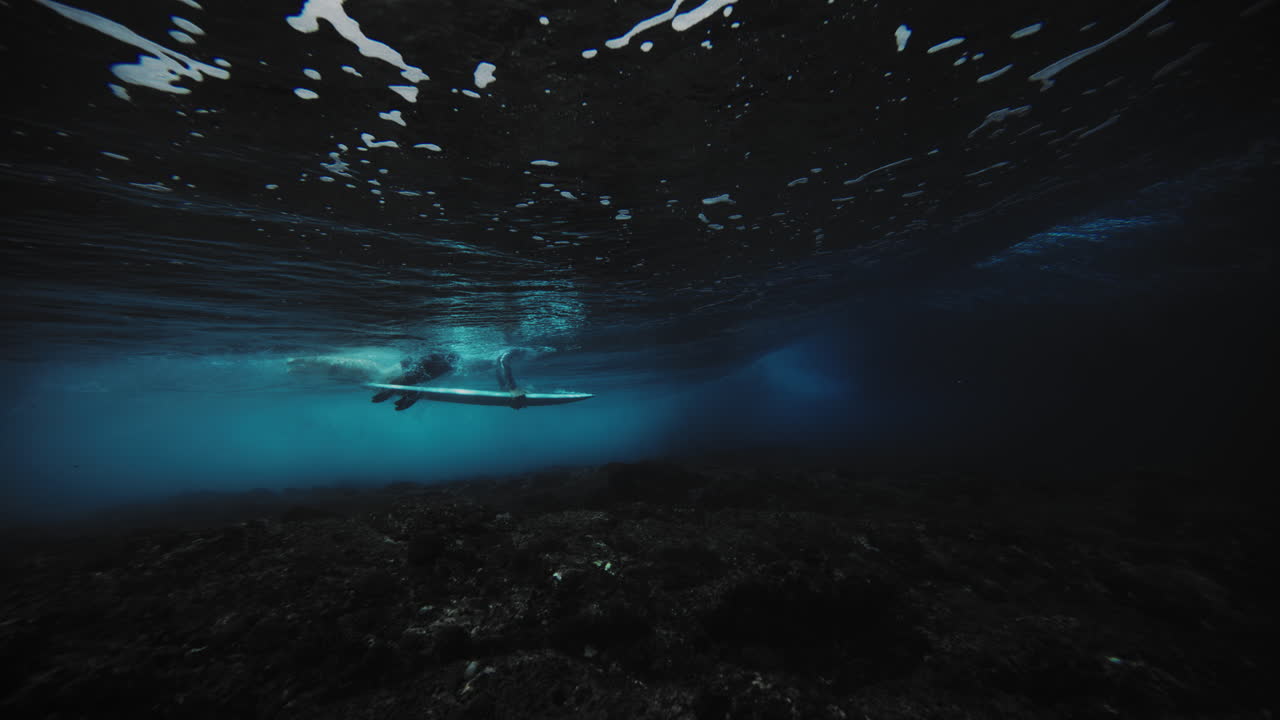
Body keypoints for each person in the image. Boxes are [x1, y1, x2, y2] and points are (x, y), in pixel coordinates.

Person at [371, 352, 459, 411]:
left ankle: (404, 390)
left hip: (436, 359)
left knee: (410, 371)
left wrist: (391, 389)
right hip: (437, 360)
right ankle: (408, 391)